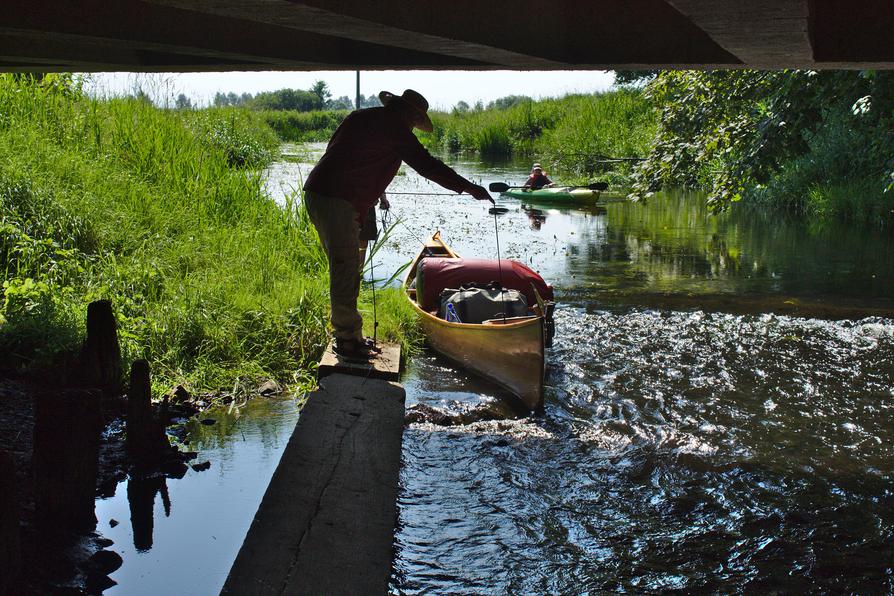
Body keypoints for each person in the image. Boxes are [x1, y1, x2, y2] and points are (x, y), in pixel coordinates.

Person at [304, 89, 493, 360]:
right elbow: (428, 166)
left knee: (348, 267)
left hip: (321, 193)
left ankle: (351, 335)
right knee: (346, 268)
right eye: (414, 122)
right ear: (409, 114)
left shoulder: (361, 117)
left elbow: (345, 154)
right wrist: (469, 187)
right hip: (338, 199)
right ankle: (346, 342)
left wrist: (378, 193)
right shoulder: (396, 129)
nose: (412, 127)